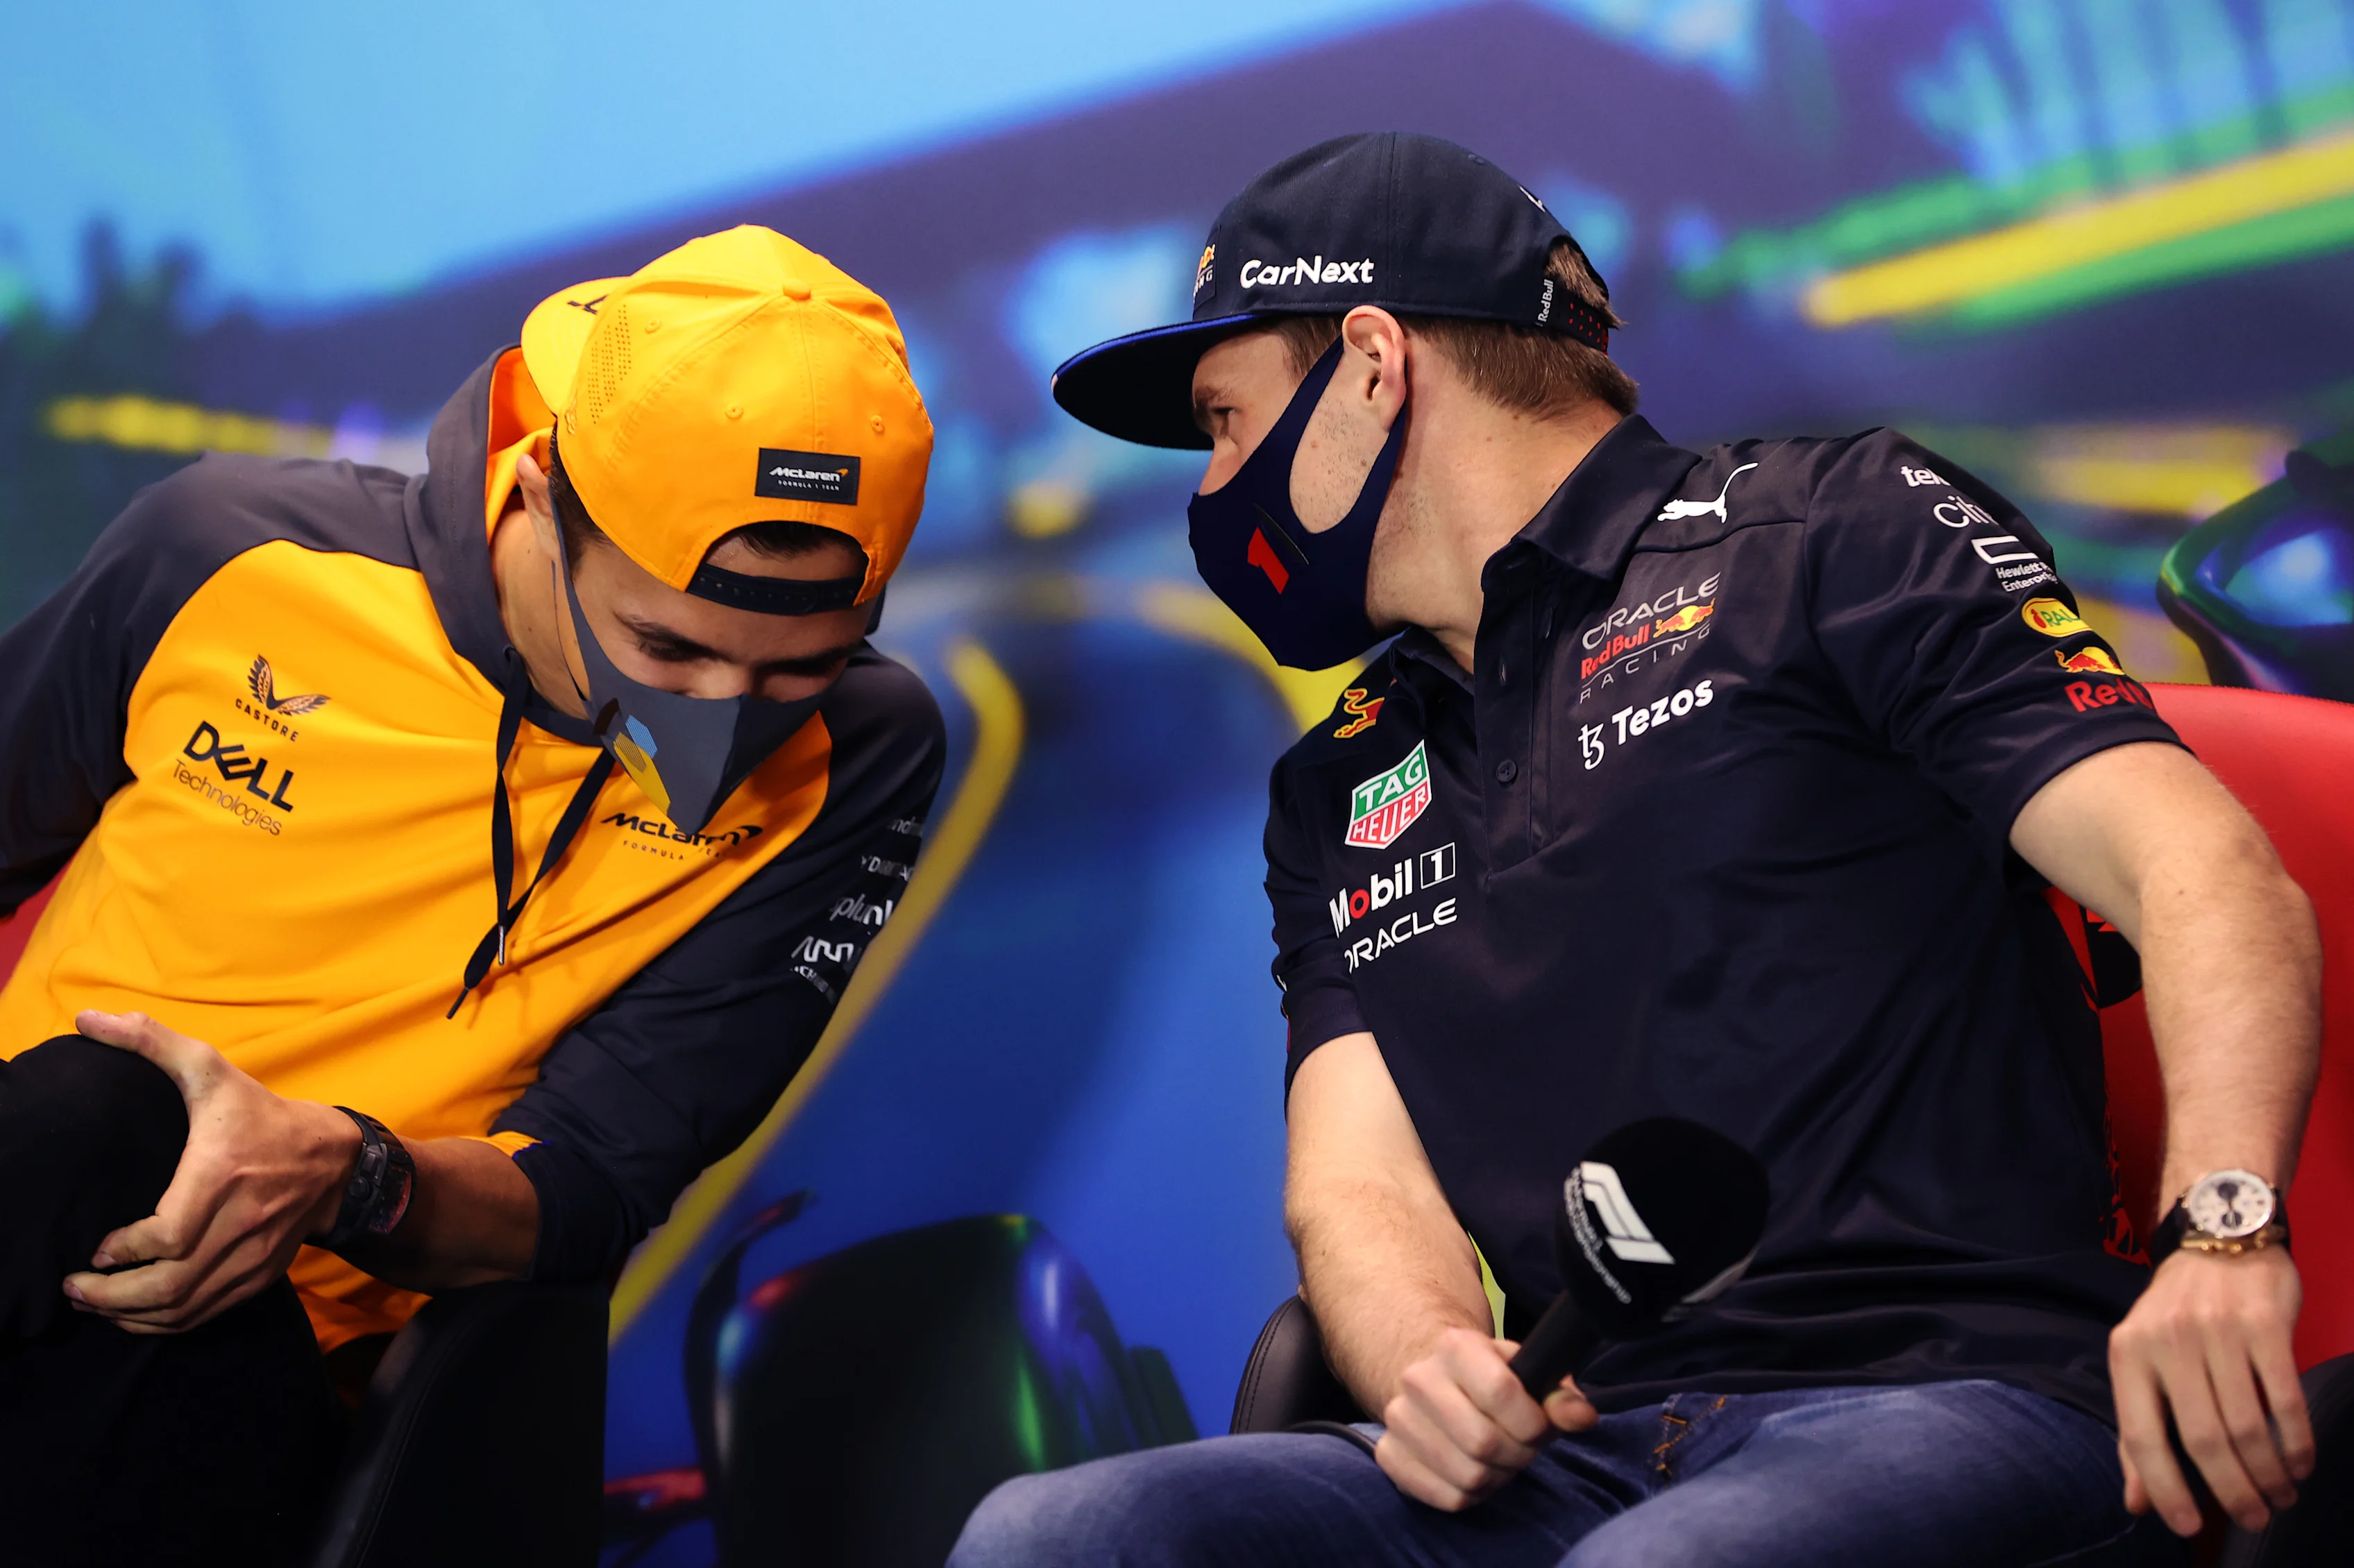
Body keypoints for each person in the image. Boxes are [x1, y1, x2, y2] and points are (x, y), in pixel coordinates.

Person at [950, 133, 2321, 1566]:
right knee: (1058, 1530)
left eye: (1225, 422)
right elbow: (1353, 1179)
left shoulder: (1832, 529)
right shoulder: (1336, 775)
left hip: (1957, 1390)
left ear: (1371, 364)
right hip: (1580, 1445)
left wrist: (2221, 1237)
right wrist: (1430, 1360)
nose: (1211, 488)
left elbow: (2203, 869)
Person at [0, 225, 945, 1564]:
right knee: (102, 1112)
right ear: (538, 495)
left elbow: (591, 1189)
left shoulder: (863, 758)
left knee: (119, 1121)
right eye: (666, 647)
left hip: (287, 1394)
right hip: (32, 1236)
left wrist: (346, 1174)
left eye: (799, 669)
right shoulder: (223, 556)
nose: (723, 722)